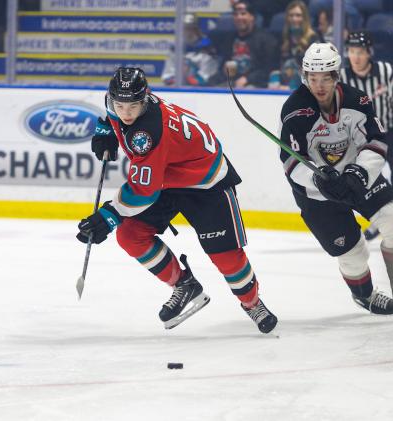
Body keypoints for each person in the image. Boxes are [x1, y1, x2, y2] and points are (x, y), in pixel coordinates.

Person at [76, 67, 278, 333]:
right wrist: (106, 130)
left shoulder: (147, 132)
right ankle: (185, 285)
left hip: (205, 181)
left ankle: (252, 304)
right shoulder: (117, 103)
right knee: (130, 235)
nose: (125, 113)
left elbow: (142, 190)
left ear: (145, 99)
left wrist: (109, 215)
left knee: (225, 256)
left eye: (133, 106)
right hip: (167, 175)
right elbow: (112, 114)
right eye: (120, 105)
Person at [278, 42, 393, 319]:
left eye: (325, 77)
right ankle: (364, 296)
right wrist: (320, 180)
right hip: (316, 193)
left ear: (336, 75)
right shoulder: (294, 111)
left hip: (357, 178)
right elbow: (291, 162)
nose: (319, 85)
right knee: (353, 250)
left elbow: (375, 141)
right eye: (313, 78)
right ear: (305, 77)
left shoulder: (357, 100)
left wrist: (358, 173)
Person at [340, 32, 393, 241]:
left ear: (369, 53)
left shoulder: (388, 72)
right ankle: (374, 223)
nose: (355, 57)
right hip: (360, 137)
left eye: (360, 52)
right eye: (352, 52)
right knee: (359, 181)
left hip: (391, 131)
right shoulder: (341, 78)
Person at [213, 0, 278, 88]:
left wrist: (248, 79)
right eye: (236, 14)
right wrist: (224, 71)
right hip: (232, 84)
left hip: (256, 86)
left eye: (243, 14)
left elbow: (269, 69)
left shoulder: (266, 40)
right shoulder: (229, 39)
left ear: (252, 17)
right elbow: (223, 65)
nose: (239, 17)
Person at [161, 13, 219, 86]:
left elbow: (205, 78)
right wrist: (175, 82)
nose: (188, 32)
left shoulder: (207, 48)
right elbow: (167, 76)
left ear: (198, 30)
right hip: (178, 91)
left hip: (202, 93)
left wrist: (184, 76)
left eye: (192, 28)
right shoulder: (175, 49)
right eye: (185, 28)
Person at [275, 0, 319, 89]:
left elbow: (314, 67)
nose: (294, 19)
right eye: (291, 15)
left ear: (305, 18)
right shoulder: (284, 37)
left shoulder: (313, 38)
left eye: (298, 15)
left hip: (306, 82)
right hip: (284, 81)